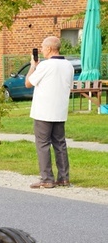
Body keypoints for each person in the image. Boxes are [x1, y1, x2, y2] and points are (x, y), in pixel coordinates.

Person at [25, 35, 74, 189]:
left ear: (49, 48)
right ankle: (64, 177)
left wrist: (33, 65)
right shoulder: (68, 66)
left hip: (43, 111)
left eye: (43, 47)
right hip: (60, 110)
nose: (42, 50)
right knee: (60, 144)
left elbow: (28, 83)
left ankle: (47, 178)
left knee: (43, 144)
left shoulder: (45, 66)